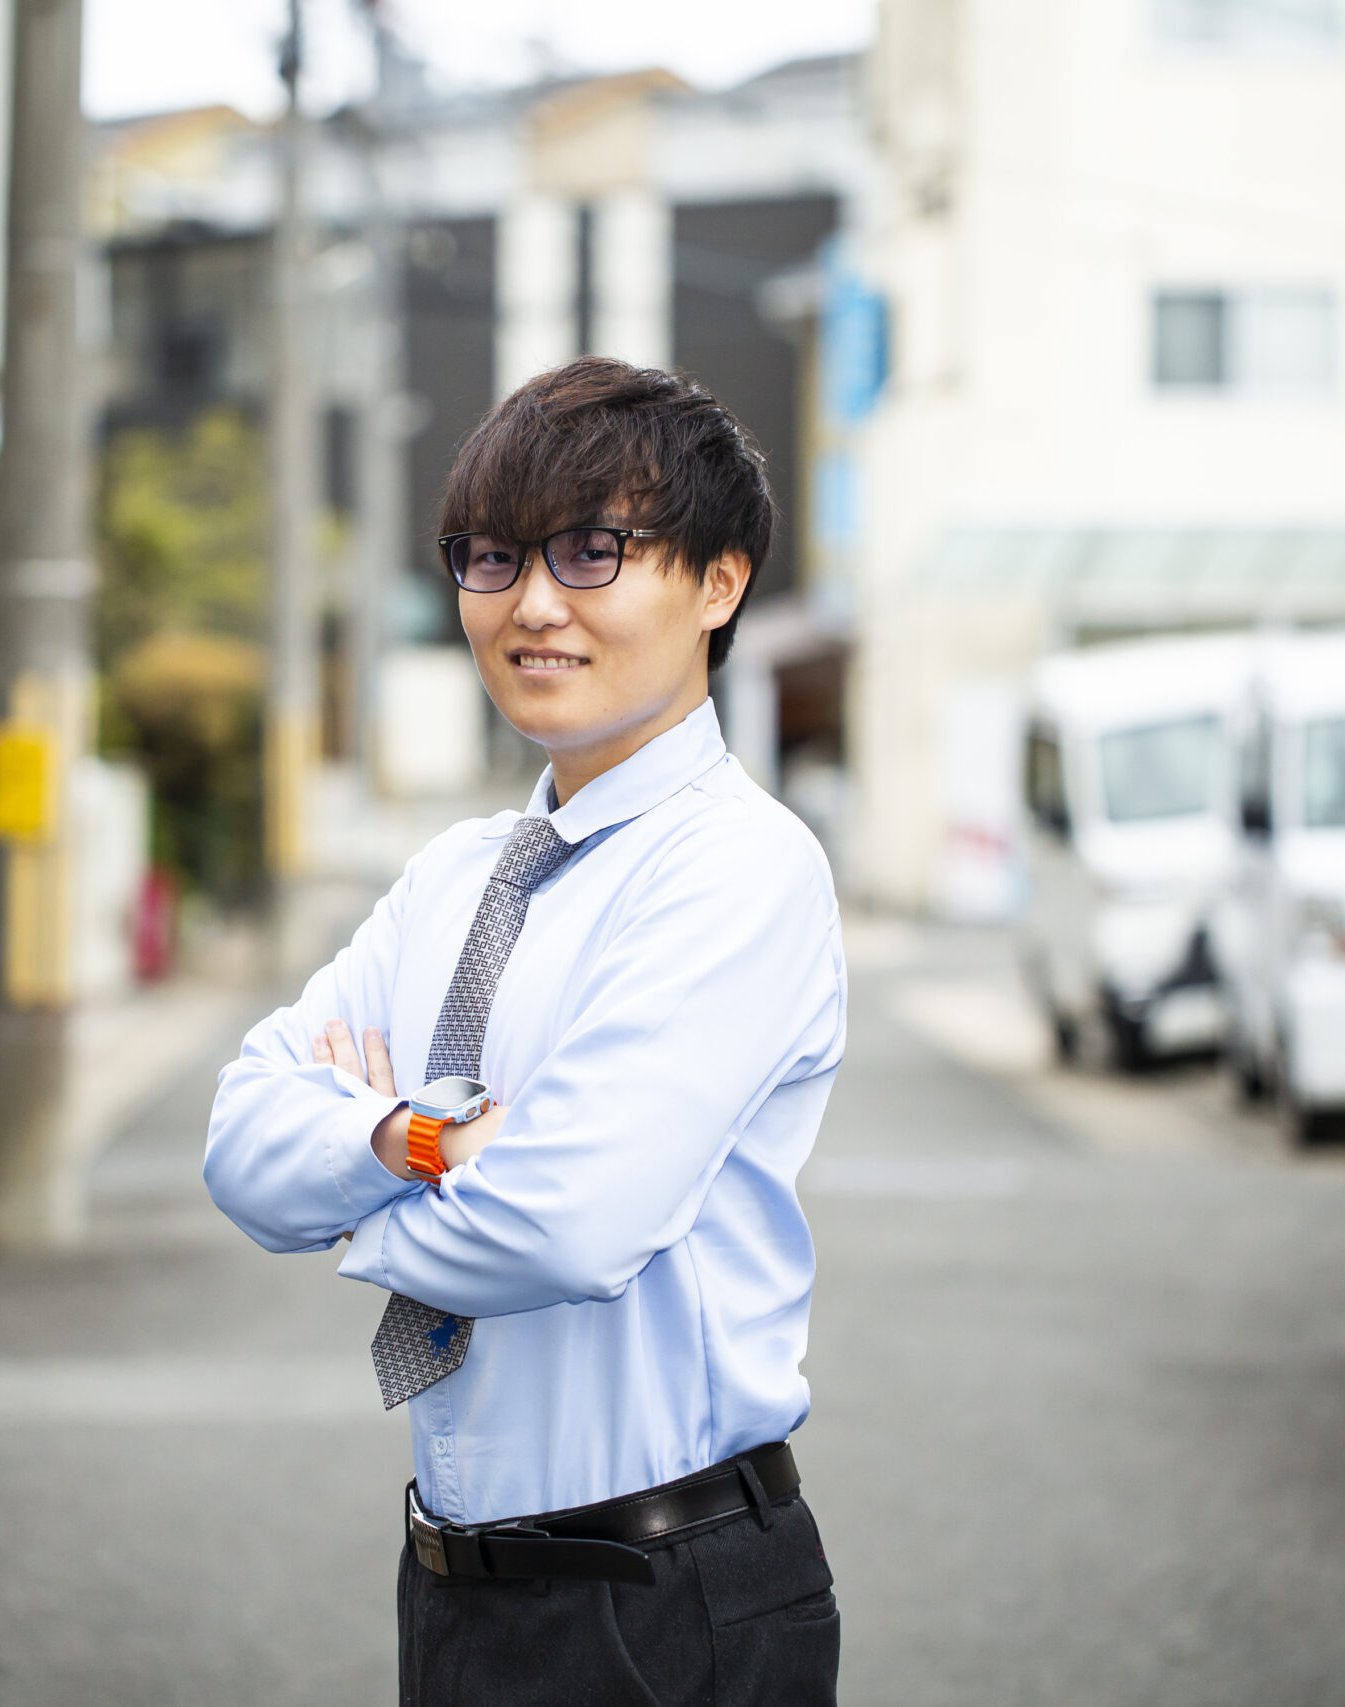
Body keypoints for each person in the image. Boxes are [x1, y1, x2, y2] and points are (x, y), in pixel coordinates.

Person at [205, 356, 846, 1706]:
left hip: (665, 1594)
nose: (534, 603)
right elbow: (241, 1139)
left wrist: (349, 1195)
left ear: (720, 582)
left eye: (591, 551)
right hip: (453, 1588)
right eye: (493, 557)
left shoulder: (739, 867)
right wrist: (424, 1139)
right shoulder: (454, 877)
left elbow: (567, 1225)